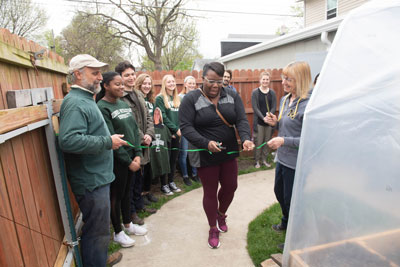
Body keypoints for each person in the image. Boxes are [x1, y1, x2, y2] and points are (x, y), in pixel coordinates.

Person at [58, 54, 127, 267]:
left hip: (97, 177)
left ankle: (98, 258)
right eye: (94, 73)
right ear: (78, 74)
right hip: (91, 181)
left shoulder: (86, 98)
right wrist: (107, 141)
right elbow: (68, 141)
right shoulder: (75, 103)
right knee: (96, 232)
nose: (99, 77)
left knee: (98, 230)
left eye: (99, 73)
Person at [179, 62, 254, 249]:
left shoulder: (232, 95)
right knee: (210, 191)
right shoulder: (191, 99)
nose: (215, 85)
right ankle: (213, 227)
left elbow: (242, 119)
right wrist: (206, 143)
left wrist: (245, 138)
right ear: (202, 78)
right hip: (205, 155)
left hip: (228, 152)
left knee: (231, 186)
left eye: (219, 82)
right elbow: (186, 127)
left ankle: (221, 214)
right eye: (211, 81)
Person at [96, 72, 148, 248]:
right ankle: (118, 232)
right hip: (118, 160)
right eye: (116, 84)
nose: (121, 87)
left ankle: (128, 224)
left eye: (121, 84)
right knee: (116, 196)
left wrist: (138, 154)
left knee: (127, 193)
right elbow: (110, 137)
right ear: (106, 86)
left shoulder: (123, 104)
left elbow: (134, 129)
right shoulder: (102, 107)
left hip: (132, 157)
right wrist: (128, 161)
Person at [265, 61, 312, 249]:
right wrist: (275, 123)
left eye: (288, 79)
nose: (283, 82)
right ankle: (286, 222)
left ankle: (295, 238)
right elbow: (287, 126)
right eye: (284, 78)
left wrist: (284, 141)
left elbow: (310, 140)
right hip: (282, 158)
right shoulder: (286, 99)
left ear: (300, 80)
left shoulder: (309, 105)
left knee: (293, 201)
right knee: (280, 193)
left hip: (297, 163)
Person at [115, 62, 157, 226]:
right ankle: (130, 212)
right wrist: (142, 137)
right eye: (127, 75)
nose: (131, 77)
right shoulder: (120, 97)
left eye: (133, 74)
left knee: (140, 177)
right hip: (131, 146)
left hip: (144, 143)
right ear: (120, 78)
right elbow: (130, 123)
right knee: (130, 182)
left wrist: (149, 134)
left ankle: (139, 205)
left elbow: (148, 117)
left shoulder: (139, 94)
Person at [155, 74, 182, 194]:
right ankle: (164, 184)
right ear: (164, 84)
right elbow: (163, 117)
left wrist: (179, 130)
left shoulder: (177, 99)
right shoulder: (160, 98)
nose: (171, 83)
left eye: (173, 81)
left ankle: (171, 181)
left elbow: (181, 116)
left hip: (177, 134)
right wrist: (175, 129)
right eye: (168, 82)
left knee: (173, 159)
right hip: (166, 134)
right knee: (165, 160)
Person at [251, 71, 277, 168]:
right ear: (260, 80)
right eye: (263, 79)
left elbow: (274, 106)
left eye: (267, 79)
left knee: (267, 141)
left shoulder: (272, 93)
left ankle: (264, 160)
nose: (265, 81)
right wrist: (263, 118)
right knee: (259, 142)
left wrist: (270, 115)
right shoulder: (255, 92)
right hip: (259, 122)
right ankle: (257, 161)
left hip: (269, 122)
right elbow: (255, 107)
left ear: (269, 81)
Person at [178, 76, 199, 186]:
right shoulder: (180, 97)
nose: (191, 85)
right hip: (185, 129)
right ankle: (185, 176)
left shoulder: (197, 96)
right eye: (189, 83)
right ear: (185, 84)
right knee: (184, 153)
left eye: (193, 83)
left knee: (194, 152)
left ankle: (194, 174)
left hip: (195, 129)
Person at [150, 107, 174, 195]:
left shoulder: (164, 127)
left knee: (164, 164)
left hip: (162, 152)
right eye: (154, 114)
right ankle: (148, 190)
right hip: (153, 153)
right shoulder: (150, 128)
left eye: (158, 114)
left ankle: (164, 185)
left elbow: (169, 138)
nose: (156, 116)